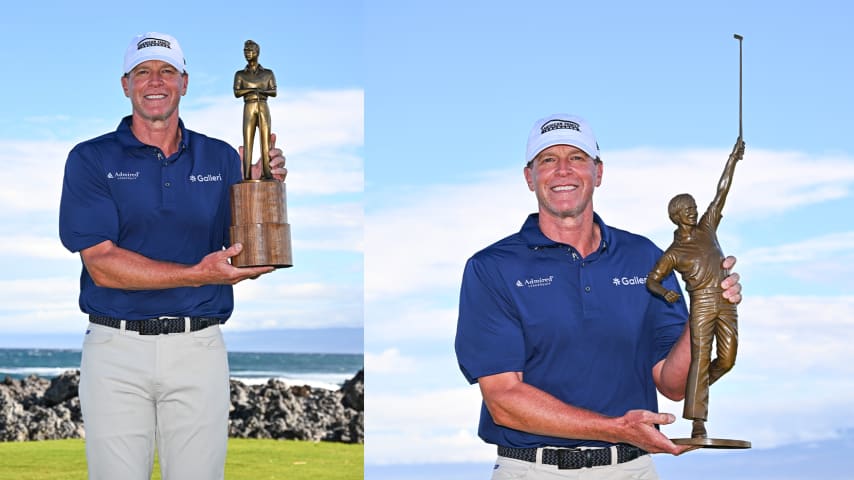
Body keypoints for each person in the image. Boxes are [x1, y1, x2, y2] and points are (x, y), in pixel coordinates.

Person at [455, 114, 743, 479]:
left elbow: (671, 384)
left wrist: (706, 301)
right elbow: (504, 402)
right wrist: (615, 428)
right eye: (548, 159)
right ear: (529, 177)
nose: (563, 170)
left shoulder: (644, 256)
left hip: (631, 469)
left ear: (599, 172)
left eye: (577, 158)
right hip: (533, 471)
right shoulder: (492, 268)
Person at [58, 32, 287, 480]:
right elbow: (102, 264)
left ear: (184, 81)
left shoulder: (222, 158)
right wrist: (199, 275)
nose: (154, 81)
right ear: (125, 85)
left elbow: (247, 255)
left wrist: (261, 192)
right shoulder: (90, 159)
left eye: (166, 70)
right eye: (142, 72)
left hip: (198, 347)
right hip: (114, 350)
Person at [646, 138, 745, 440]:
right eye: (687, 208)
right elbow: (653, 280)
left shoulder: (707, 228)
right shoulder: (674, 252)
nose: (693, 211)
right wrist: (666, 293)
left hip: (725, 302)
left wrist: (733, 159)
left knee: (727, 360)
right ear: (676, 215)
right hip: (700, 305)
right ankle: (698, 420)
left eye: (693, 207)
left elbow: (721, 193)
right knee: (700, 359)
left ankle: (694, 392)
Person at [234, 39, 277, 180]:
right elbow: (237, 93)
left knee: (265, 141)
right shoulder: (240, 74)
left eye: (250, 51)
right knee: (248, 140)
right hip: (249, 106)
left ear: (257, 52)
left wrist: (254, 90)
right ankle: (246, 175)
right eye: (245, 51)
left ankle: (267, 173)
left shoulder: (268, 73)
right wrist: (257, 89)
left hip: (263, 106)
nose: (247, 54)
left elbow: (274, 91)